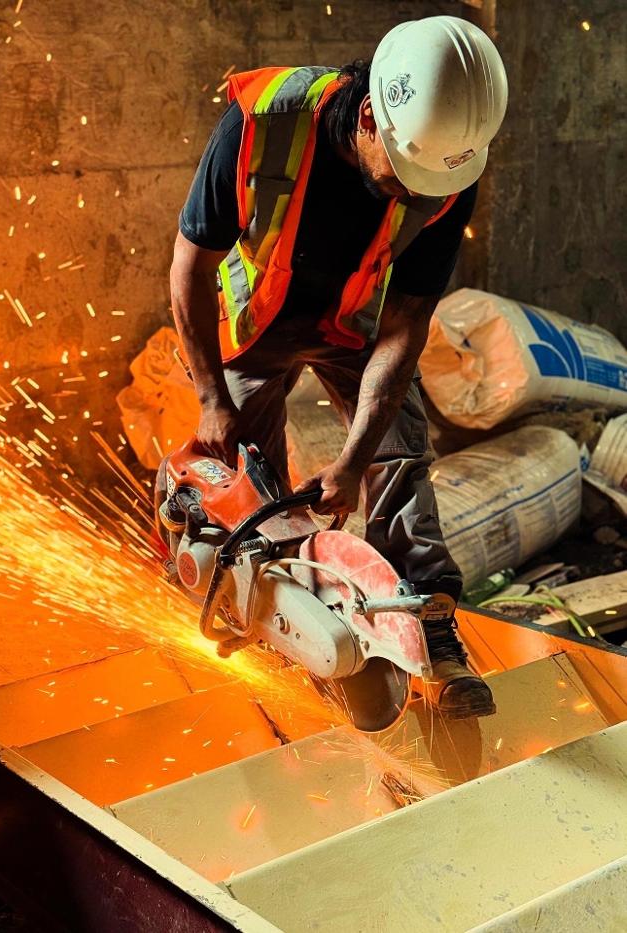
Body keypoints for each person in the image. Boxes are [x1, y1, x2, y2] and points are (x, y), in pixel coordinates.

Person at [170, 15, 508, 718]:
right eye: (405, 178)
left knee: (398, 455)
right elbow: (188, 270)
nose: (416, 196)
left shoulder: (448, 169)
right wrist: (211, 399)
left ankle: (428, 623)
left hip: (351, 326)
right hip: (252, 327)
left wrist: (355, 460)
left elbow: (406, 325)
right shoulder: (259, 125)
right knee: (253, 494)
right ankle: (283, 630)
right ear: (369, 117)